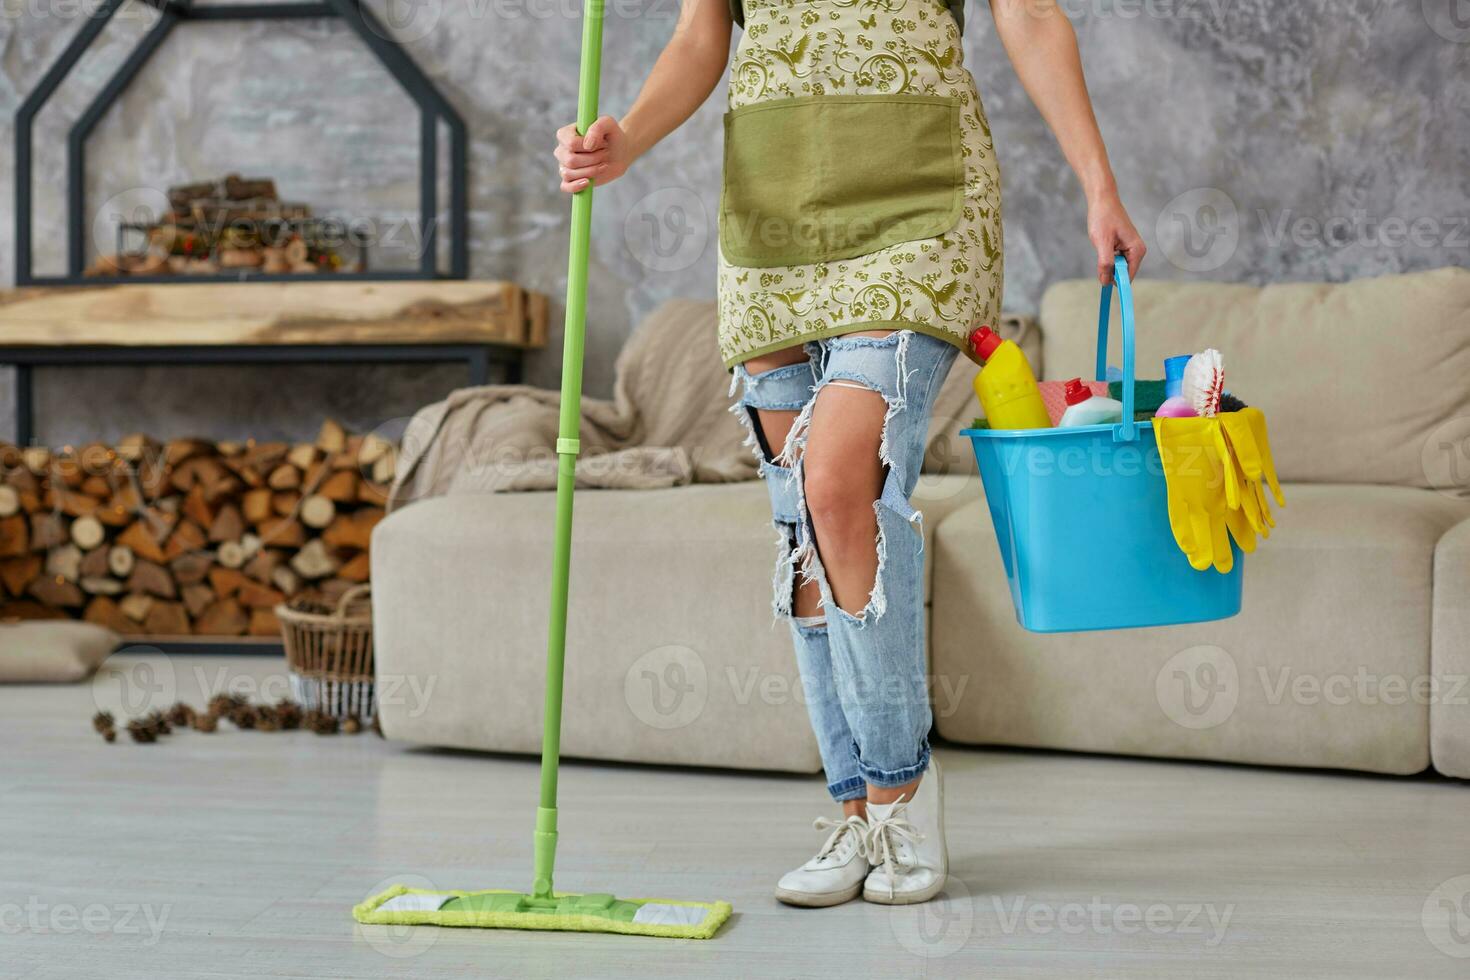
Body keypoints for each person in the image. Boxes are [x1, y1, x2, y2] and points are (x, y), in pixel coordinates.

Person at [554, 0, 1145, 907]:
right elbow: (701, 33)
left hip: (919, 194)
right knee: (799, 519)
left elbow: (1027, 12)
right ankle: (854, 812)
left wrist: (1098, 184)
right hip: (773, 210)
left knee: (840, 485)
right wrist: (626, 139)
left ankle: (902, 798)